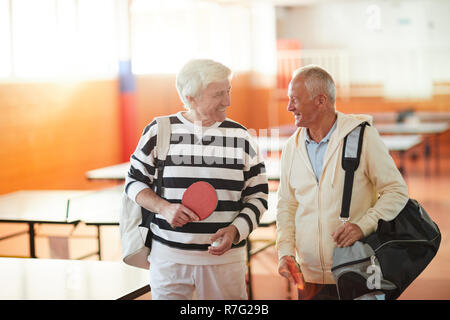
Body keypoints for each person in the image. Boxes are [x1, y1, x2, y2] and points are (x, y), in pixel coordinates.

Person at [124, 59, 268, 300]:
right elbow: (133, 183)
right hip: (169, 260)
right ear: (191, 97)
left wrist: (235, 230)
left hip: (225, 263)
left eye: (228, 91)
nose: (228, 101)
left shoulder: (241, 137)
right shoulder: (159, 131)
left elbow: (259, 196)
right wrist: (164, 208)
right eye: (218, 94)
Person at [276, 65, 409, 300]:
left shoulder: (363, 138)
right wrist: (285, 252)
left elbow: (396, 191)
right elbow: (287, 205)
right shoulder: (291, 148)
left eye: (295, 99)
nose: (289, 107)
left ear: (320, 101)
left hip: (356, 270)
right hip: (309, 277)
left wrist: (363, 225)